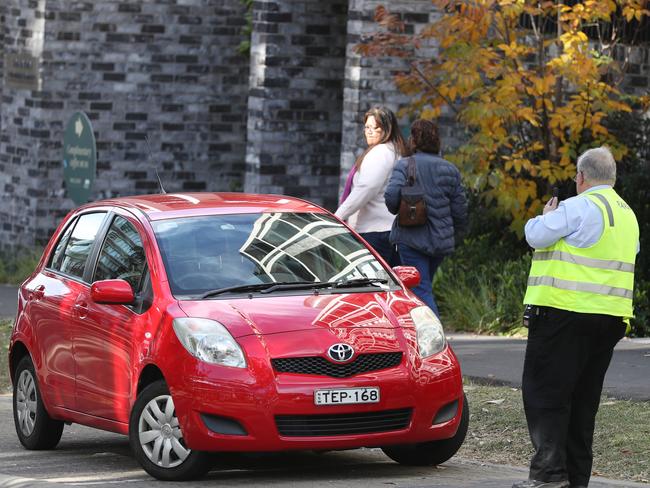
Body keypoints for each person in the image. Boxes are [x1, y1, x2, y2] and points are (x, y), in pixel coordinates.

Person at [513, 146, 639, 488]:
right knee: (583, 402)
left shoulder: (577, 206)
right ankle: (575, 479)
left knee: (546, 396)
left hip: (564, 315)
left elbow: (534, 235)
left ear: (581, 177)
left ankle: (550, 476)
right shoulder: (628, 214)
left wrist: (545, 214)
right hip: (611, 319)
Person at [384, 119, 467, 316]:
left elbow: (391, 198)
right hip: (440, 241)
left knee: (421, 290)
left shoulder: (405, 165)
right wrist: (455, 234)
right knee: (423, 285)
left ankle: (433, 336)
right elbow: (460, 210)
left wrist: (400, 206)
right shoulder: (450, 169)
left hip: (412, 238)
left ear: (413, 139)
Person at [335, 106, 407, 266]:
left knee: (373, 285)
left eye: (376, 128)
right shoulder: (396, 152)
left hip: (374, 231)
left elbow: (366, 188)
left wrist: (337, 216)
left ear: (387, 129)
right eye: (367, 127)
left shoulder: (380, 153)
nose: (370, 131)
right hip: (391, 229)